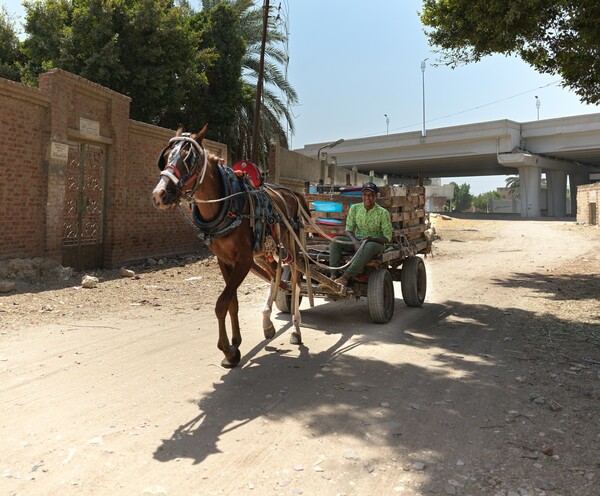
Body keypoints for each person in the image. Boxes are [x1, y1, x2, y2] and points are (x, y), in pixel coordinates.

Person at [329, 182, 393, 287]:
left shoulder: (383, 213)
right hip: (358, 241)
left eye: (371, 195)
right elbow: (348, 229)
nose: (367, 198)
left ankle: (345, 278)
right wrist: (355, 242)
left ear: (376, 196)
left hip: (375, 243)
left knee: (368, 246)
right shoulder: (355, 208)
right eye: (365, 195)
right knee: (335, 241)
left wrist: (371, 239)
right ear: (362, 196)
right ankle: (333, 277)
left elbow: (387, 237)